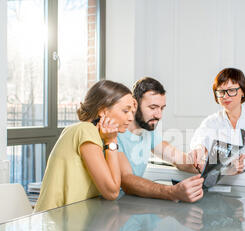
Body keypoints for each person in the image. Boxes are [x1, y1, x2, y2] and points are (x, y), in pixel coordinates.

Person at [35, 80, 136, 212]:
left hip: (71, 220)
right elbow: (112, 192)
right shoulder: (85, 130)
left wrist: (110, 140)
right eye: (125, 111)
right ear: (103, 111)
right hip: (54, 223)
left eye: (132, 112)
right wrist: (112, 141)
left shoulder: (95, 135)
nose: (131, 118)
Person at [117, 77, 204, 203]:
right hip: (113, 206)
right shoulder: (115, 133)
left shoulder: (148, 130)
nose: (159, 115)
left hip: (131, 203)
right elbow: (126, 180)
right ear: (134, 104)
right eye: (153, 108)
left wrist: (199, 163)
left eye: (162, 108)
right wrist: (172, 192)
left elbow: (178, 159)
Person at [189, 68, 245, 174]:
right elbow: (199, 142)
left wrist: (242, 161)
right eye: (221, 91)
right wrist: (199, 149)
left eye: (231, 90)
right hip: (220, 183)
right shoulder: (211, 121)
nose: (226, 96)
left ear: (242, 91)